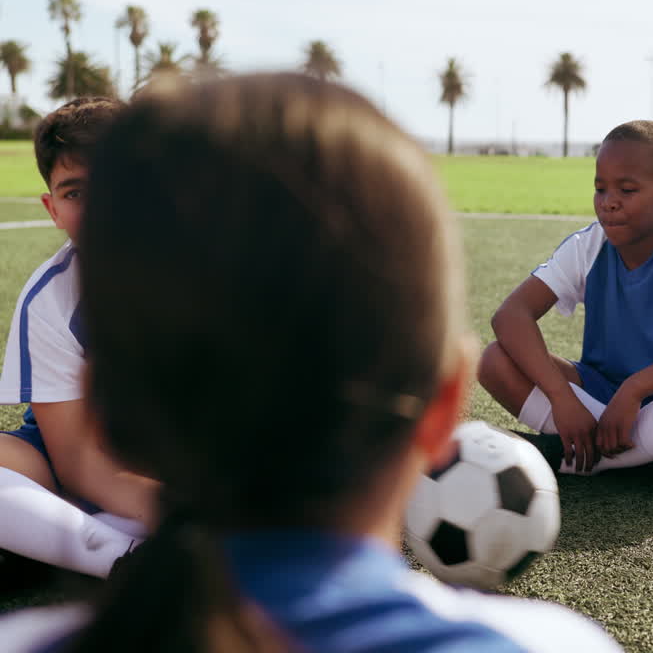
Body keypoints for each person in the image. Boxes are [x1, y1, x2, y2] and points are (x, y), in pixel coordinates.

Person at [0, 74, 620, 652]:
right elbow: (76, 456)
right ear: (443, 408)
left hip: (147, 493)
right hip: (99, 479)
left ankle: (94, 540)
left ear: (116, 408)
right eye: (77, 192)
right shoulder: (555, 643)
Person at [477, 120, 653, 494]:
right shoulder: (587, 245)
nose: (608, 201)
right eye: (600, 188)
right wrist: (559, 396)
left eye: (627, 189)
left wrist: (636, 389)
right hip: (601, 396)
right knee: (495, 359)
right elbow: (510, 316)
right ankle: (646, 460)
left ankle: (560, 454)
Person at [0, 98, 154, 583]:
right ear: (53, 208)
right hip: (80, 463)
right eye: (77, 193)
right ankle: (122, 558)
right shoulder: (51, 299)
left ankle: (49, 541)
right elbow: (76, 462)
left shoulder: (219, 266)